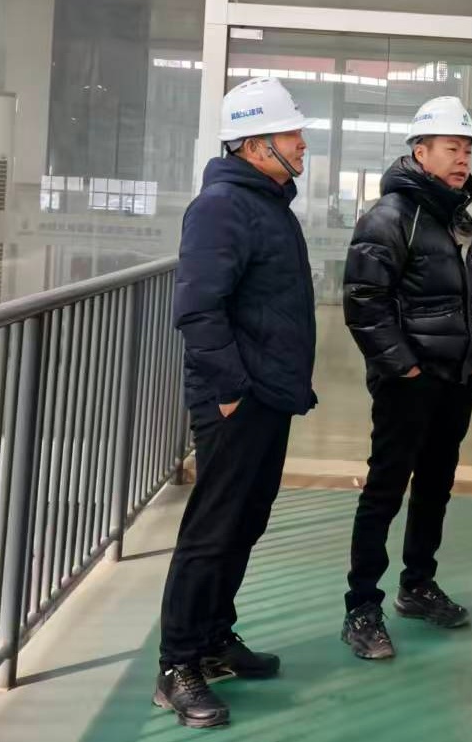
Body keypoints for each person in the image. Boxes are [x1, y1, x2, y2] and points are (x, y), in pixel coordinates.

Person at [154, 77, 317, 729]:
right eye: (290, 133)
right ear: (254, 144)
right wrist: (228, 393)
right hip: (236, 397)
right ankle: (177, 665)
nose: (301, 144)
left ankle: (213, 637)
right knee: (212, 530)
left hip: (265, 393)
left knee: (245, 521)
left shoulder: (266, 202)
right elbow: (198, 309)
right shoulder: (222, 206)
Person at [340, 95, 472, 660]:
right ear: (420, 151)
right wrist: (404, 367)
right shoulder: (389, 217)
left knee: (435, 485)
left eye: (468, 150)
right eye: (452, 148)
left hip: (456, 379)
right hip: (409, 382)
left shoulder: (459, 220)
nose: (463, 159)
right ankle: (362, 608)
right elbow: (364, 301)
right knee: (385, 489)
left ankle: (417, 585)